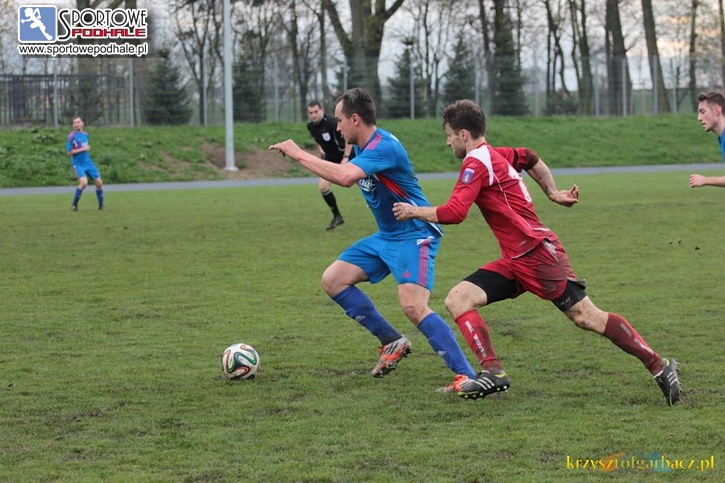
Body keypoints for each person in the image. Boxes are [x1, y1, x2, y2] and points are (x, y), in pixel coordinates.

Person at [392, 99, 681, 405]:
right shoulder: (496, 154)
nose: (447, 141)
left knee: (586, 316)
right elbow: (530, 157)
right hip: (516, 259)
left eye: (449, 135)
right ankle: (493, 372)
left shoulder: (476, 163)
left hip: (537, 254)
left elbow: (455, 212)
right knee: (458, 299)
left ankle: (659, 364)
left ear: (463, 134)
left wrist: (414, 211)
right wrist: (552, 192)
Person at [270, 88, 478, 391]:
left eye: (340, 120)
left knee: (413, 306)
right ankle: (391, 340)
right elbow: (345, 172)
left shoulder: (384, 147)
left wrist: (297, 153)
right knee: (334, 279)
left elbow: (344, 178)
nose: (337, 127)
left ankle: (466, 375)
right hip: (388, 236)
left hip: (414, 233)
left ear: (355, 119)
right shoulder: (361, 149)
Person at [307, 101, 352, 230]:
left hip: (346, 156)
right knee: (323, 186)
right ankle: (337, 217)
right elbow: (319, 140)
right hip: (331, 159)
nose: (313, 115)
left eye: (316, 111)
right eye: (311, 113)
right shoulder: (311, 126)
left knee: (365, 184)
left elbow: (348, 138)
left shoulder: (332, 122)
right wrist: (321, 150)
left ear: (322, 110)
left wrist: (346, 157)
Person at [67, 116, 104, 211]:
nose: (76, 124)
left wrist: (85, 151)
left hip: (88, 163)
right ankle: (74, 204)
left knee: (99, 183)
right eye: (74, 123)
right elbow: (70, 152)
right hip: (78, 164)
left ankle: (101, 205)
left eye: (78, 122)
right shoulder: (71, 136)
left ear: (82, 123)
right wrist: (83, 149)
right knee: (84, 183)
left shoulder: (85, 135)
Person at [689, 91, 725, 188]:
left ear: (716, 111)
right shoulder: (722, 138)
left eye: (702, 111)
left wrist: (705, 180)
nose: (699, 118)